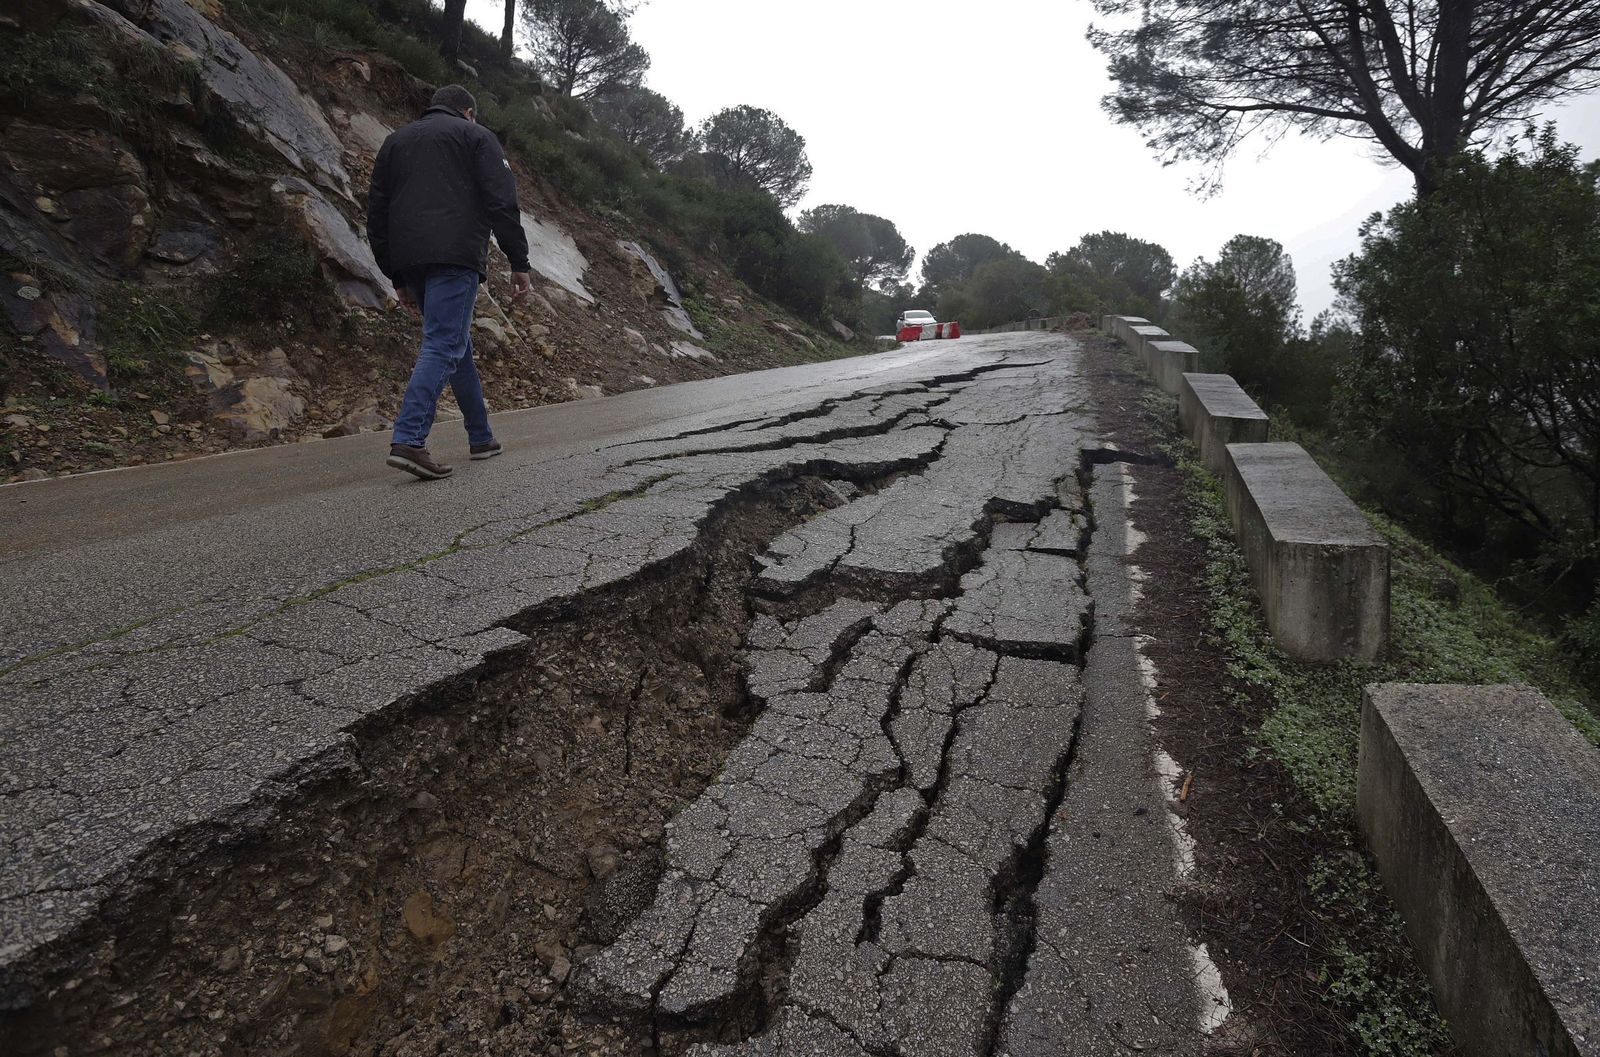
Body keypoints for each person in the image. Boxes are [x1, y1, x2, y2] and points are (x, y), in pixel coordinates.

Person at [368, 85, 534, 480]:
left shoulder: (395, 141)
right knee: (444, 342)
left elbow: (376, 211)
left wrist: (395, 274)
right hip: (455, 256)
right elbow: (501, 201)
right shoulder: (476, 136)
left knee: (456, 342)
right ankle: (409, 439)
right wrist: (519, 261)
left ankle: (481, 437)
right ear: (468, 111)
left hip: (410, 260)